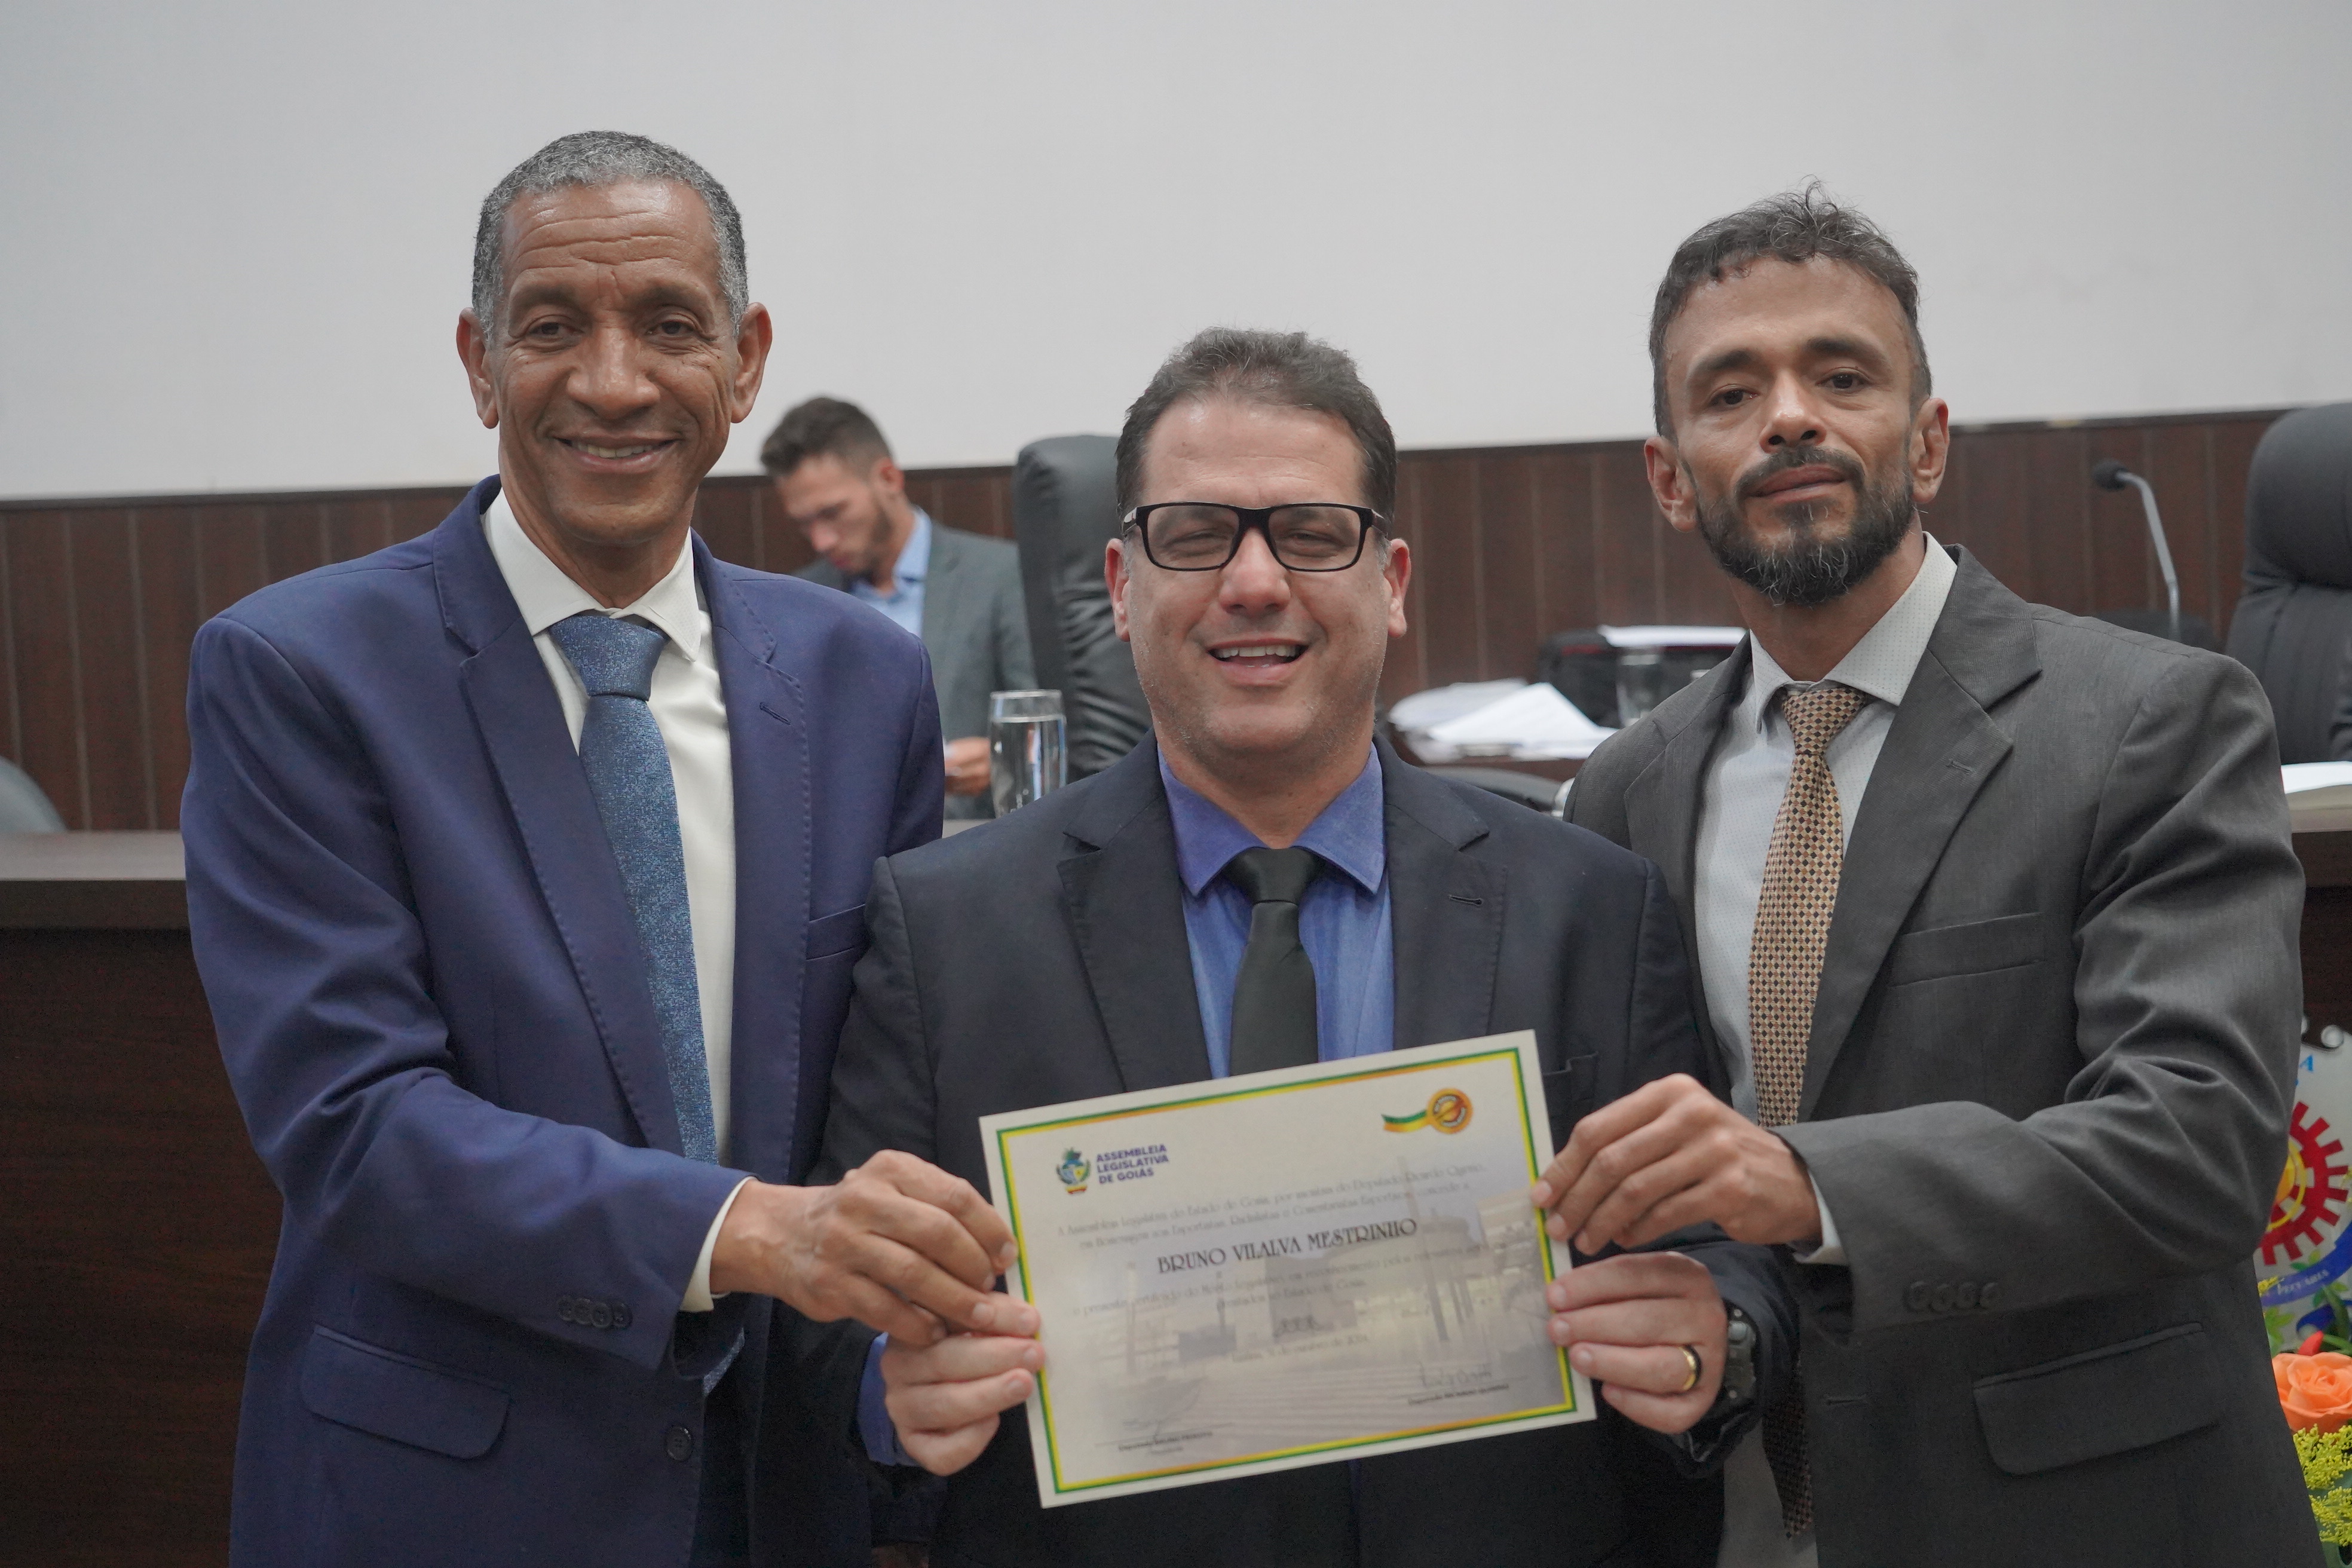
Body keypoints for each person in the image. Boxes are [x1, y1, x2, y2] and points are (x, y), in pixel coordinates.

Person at [798, 327, 1796, 1567]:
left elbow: (1722, 1259)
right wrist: (886, 1391)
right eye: (1195, 534)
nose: (1255, 581)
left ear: (1392, 580)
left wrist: (1714, 1339)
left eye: (1314, 533)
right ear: (1120, 585)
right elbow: (832, 1317)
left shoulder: (1591, 904)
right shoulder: (945, 925)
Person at [182, 131, 1034, 1568]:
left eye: (671, 325)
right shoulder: (300, 670)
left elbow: (877, 1097)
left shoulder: (860, 678)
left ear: (745, 363)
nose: (616, 380)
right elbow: (358, 1124)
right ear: (479, 362)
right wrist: (748, 1229)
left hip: (776, 1491)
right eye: (552, 326)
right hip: (450, 1504)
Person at [1536, 186, 2316, 1567]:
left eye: (1841, 376)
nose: (1790, 417)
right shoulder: (1623, 790)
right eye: (1731, 392)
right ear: (1669, 476)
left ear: (1929, 438)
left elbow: (2197, 1145)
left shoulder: (2152, 722)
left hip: (2084, 1521)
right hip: (1752, 1513)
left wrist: (1805, 1179)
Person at [764, 397, 1034, 818]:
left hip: (973, 831)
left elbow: (1042, 720)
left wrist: (1002, 757)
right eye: (804, 524)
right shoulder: (799, 598)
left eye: (833, 513)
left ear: (888, 478)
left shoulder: (998, 576)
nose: (822, 541)